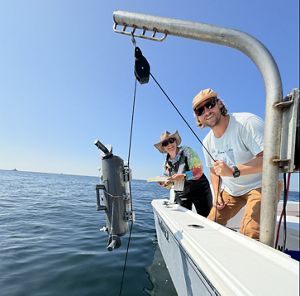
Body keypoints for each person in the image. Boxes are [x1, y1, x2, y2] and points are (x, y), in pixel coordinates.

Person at [192, 88, 269, 240]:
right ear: (198, 119)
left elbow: (269, 159)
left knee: (249, 233)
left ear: (219, 103)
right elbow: (213, 171)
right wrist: (216, 195)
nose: (206, 111)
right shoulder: (206, 142)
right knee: (209, 225)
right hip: (232, 190)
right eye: (200, 110)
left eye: (210, 104)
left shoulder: (247, 122)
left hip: (263, 185)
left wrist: (234, 171)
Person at [154, 130, 212, 217]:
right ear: (164, 148)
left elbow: (198, 171)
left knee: (207, 217)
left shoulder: (187, 151)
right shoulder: (166, 163)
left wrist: (184, 176)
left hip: (200, 190)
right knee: (182, 218)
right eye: (165, 143)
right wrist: (164, 183)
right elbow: (170, 183)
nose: (169, 145)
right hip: (182, 192)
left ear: (176, 142)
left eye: (171, 141)